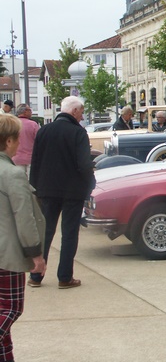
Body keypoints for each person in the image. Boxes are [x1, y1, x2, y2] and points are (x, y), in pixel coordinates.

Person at [28, 96, 95, 289]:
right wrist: (90, 183)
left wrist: (35, 187)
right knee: (69, 233)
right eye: (81, 112)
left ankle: (35, 275)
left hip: (47, 189)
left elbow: (35, 161)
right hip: (73, 191)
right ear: (74, 111)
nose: (82, 116)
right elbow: (84, 164)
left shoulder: (44, 131)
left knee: (45, 232)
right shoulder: (78, 133)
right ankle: (65, 277)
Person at [0, 113, 46, 361]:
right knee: (11, 308)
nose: (19, 143)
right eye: (17, 138)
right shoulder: (12, 174)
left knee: (3, 327)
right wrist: (36, 254)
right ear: (8, 141)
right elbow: (24, 217)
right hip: (8, 255)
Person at [12, 104, 39, 177]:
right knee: (31, 180)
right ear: (25, 111)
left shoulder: (13, 124)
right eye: (29, 110)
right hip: (31, 158)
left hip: (16, 158)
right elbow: (38, 141)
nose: (31, 112)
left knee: (18, 180)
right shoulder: (33, 124)